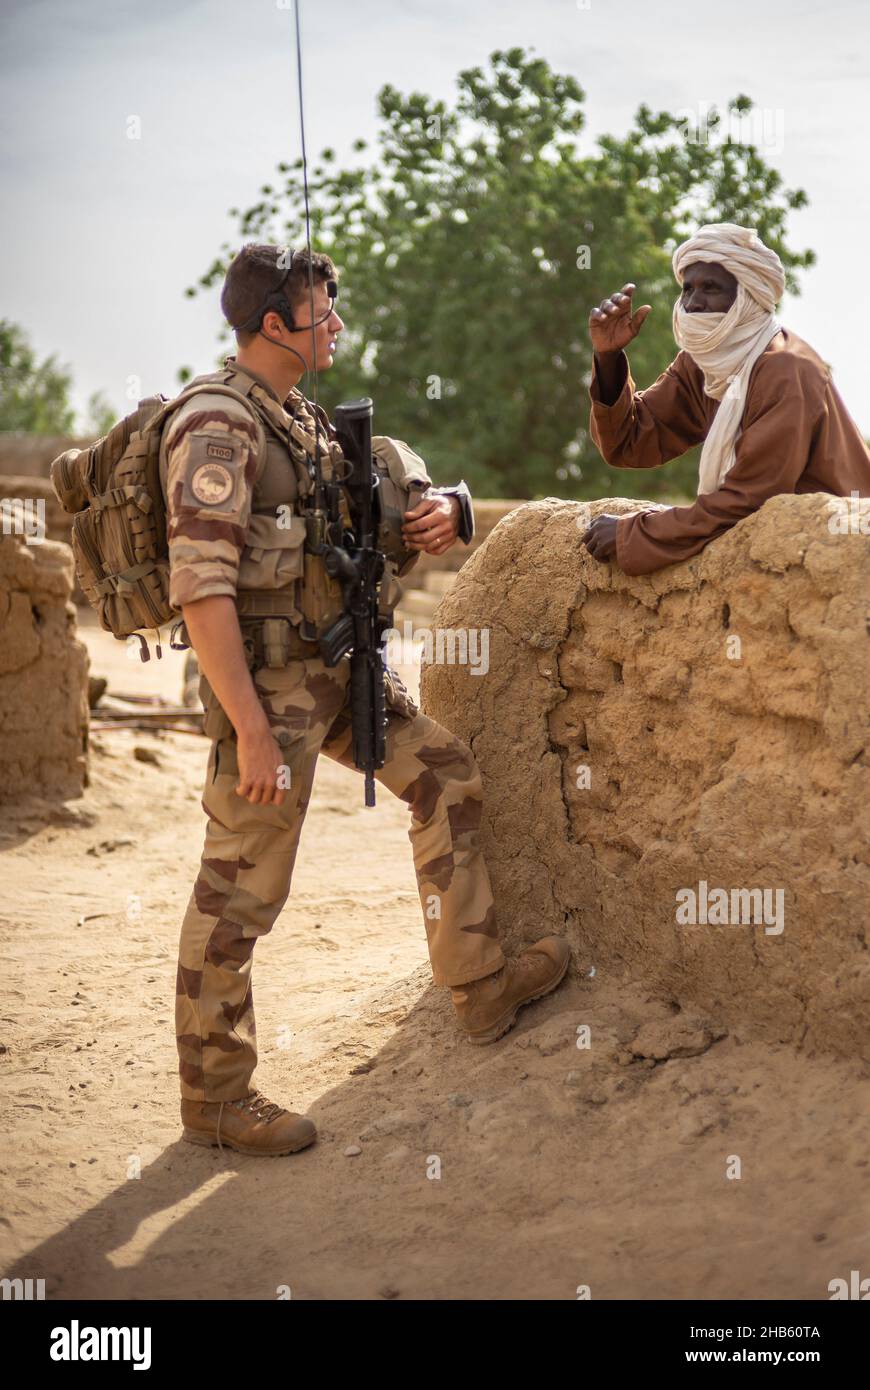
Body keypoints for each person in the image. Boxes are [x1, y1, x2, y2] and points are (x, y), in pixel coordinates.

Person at [167, 243, 571, 1156]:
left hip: (338, 670)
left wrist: (450, 510)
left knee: (446, 774)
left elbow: (381, 509)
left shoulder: (301, 419)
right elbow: (204, 593)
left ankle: (478, 987)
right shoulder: (217, 423)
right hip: (265, 693)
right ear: (274, 324)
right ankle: (216, 1100)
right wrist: (251, 732)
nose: (338, 324)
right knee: (240, 891)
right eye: (323, 310)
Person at [582, 223, 870, 574]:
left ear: (747, 295)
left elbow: (749, 500)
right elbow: (632, 442)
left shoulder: (786, 369)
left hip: (836, 557)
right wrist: (608, 359)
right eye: (687, 289)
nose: (692, 302)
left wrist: (632, 532)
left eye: (710, 288)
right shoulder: (701, 363)